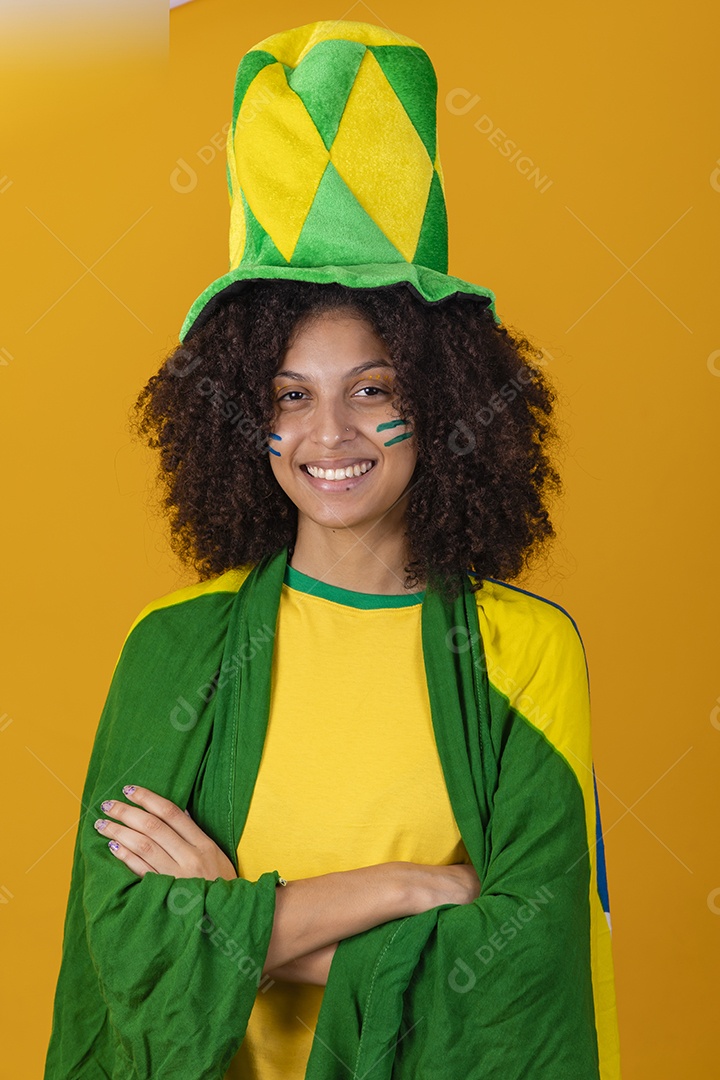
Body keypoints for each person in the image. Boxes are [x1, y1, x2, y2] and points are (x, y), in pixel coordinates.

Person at [43, 18, 621, 1080]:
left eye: (374, 392)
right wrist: (414, 890)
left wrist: (235, 928)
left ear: (440, 401)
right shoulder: (173, 647)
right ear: (242, 420)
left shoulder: (526, 654)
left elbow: (523, 971)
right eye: (291, 397)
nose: (331, 438)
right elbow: (121, 946)